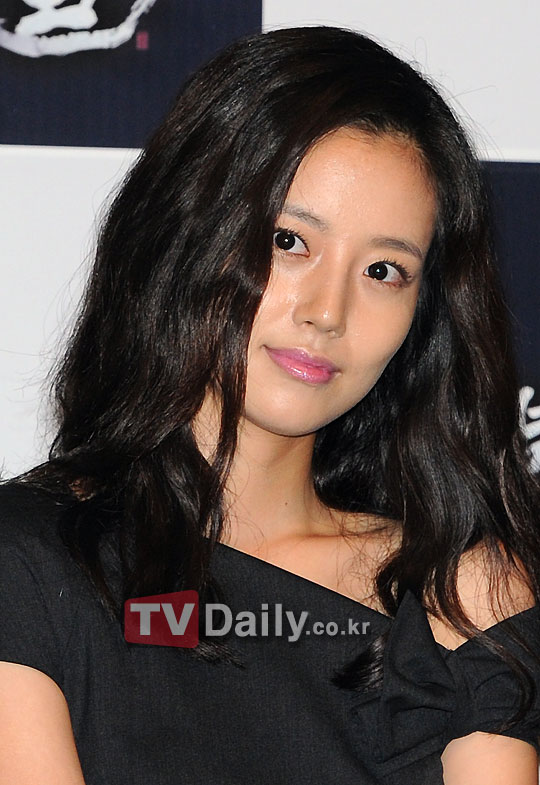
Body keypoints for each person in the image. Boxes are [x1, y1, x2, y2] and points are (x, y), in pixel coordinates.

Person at [1, 25, 540, 785]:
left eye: (384, 270)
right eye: (289, 241)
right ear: (187, 233)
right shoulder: (27, 564)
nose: (327, 311)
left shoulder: (463, 594)